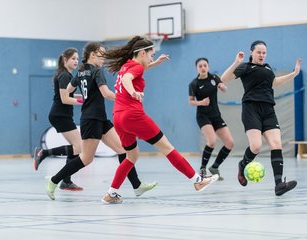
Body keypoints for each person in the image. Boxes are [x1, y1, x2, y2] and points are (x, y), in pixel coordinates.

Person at [101, 36, 219, 204]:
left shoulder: (126, 65)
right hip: (133, 115)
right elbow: (129, 79)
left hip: (118, 117)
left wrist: (155, 63)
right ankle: (197, 181)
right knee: (167, 148)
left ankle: (111, 194)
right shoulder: (135, 69)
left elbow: (133, 73)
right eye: (151, 55)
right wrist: (133, 92)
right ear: (142, 53)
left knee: (131, 156)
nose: (152, 58)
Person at [44, 42, 157, 200]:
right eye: (101, 55)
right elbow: (106, 93)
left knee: (122, 149)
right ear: (92, 54)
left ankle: (136, 185)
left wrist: (85, 95)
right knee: (86, 158)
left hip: (100, 118)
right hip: (91, 119)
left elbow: (69, 90)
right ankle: (54, 180)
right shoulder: (97, 71)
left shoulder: (81, 71)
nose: (103, 58)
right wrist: (126, 96)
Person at [220, 40, 300, 196]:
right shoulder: (246, 67)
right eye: (259, 52)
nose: (262, 55)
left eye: (264, 52)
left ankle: (279, 185)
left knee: (276, 144)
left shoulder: (268, 68)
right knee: (256, 146)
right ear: (252, 53)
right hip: (251, 109)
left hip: (268, 109)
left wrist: (294, 73)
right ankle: (242, 165)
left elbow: (275, 82)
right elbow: (224, 77)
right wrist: (236, 62)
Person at [33, 48, 84, 191]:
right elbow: (65, 99)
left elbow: (70, 96)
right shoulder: (64, 76)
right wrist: (82, 102)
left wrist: (84, 96)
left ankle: (66, 181)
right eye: (73, 58)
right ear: (65, 60)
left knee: (76, 148)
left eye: (77, 59)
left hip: (62, 115)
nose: (76, 61)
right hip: (60, 115)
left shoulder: (65, 75)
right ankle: (44, 153)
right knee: (78, 147)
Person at [189, 57, 234, 180]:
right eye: (200, 66)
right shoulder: (194, 84)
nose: (203, 68)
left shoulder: (214, 78)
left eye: (205, 65)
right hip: (203, 116)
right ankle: (203, 168)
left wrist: (223, 87)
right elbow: (191, 102)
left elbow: (222, 86)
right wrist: (201, 103)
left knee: (230, 143)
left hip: (216, 116)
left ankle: (215, 167)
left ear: (208, 66)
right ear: (197, 68)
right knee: (212, 141)